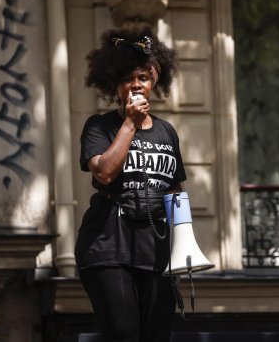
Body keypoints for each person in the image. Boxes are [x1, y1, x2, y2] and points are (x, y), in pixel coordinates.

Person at [75, 27, 185, 342]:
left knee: (156, 334)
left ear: (154, 81)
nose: (135, 84)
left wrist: (184, 244)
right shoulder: (100, 126)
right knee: (123, 332)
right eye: (127, 79)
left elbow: (174, 191)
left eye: (142, 77)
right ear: (116, 85)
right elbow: (105, 173)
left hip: (155, 247)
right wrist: (130, 123)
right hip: (107, 244)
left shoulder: (167, 132)